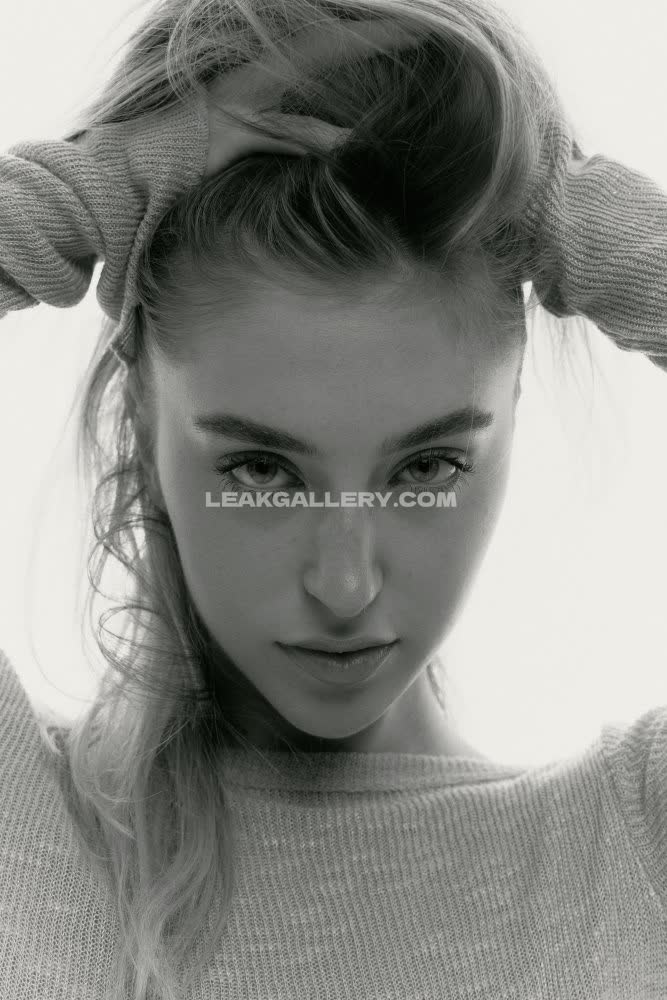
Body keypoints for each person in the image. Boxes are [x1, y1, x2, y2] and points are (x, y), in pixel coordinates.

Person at [0, 0, 665, 998]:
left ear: (513, 406)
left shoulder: (635, 851)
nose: (345, 586)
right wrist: (98, 185)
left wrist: (560, 207)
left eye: (427, 469)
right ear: (139, 401)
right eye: (261, 470)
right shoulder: (20, 819)